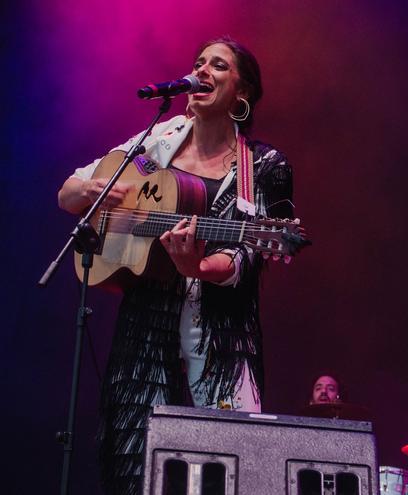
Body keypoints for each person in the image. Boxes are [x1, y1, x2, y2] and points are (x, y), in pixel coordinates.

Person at [57, 37, 296, 495]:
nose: (202, 71)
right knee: (134, 468)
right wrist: (93, 193)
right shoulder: (157, 143)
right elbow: (68, 192)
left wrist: (199, 268)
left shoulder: (261, 165)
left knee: (228, 471)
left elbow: (248, 255)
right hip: (144, 332)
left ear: (241, 93)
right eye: (198, 63)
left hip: (223, 337)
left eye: (218, 66)